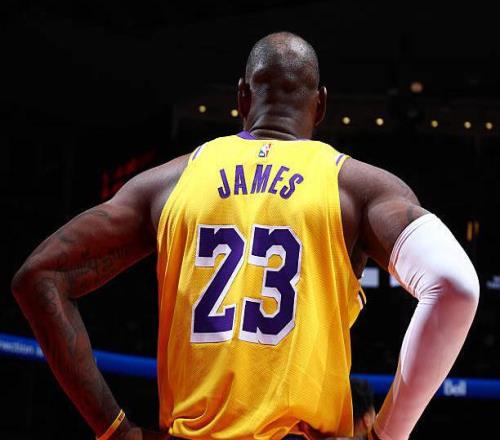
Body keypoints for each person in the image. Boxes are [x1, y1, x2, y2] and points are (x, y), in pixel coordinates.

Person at [11, 32, 479, 440]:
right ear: (320, 105)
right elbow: (455, 286)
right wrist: (385, 434)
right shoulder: (356, 187)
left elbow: (39, 276)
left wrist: (114, 429)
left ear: (241, 97)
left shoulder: (167, 183)